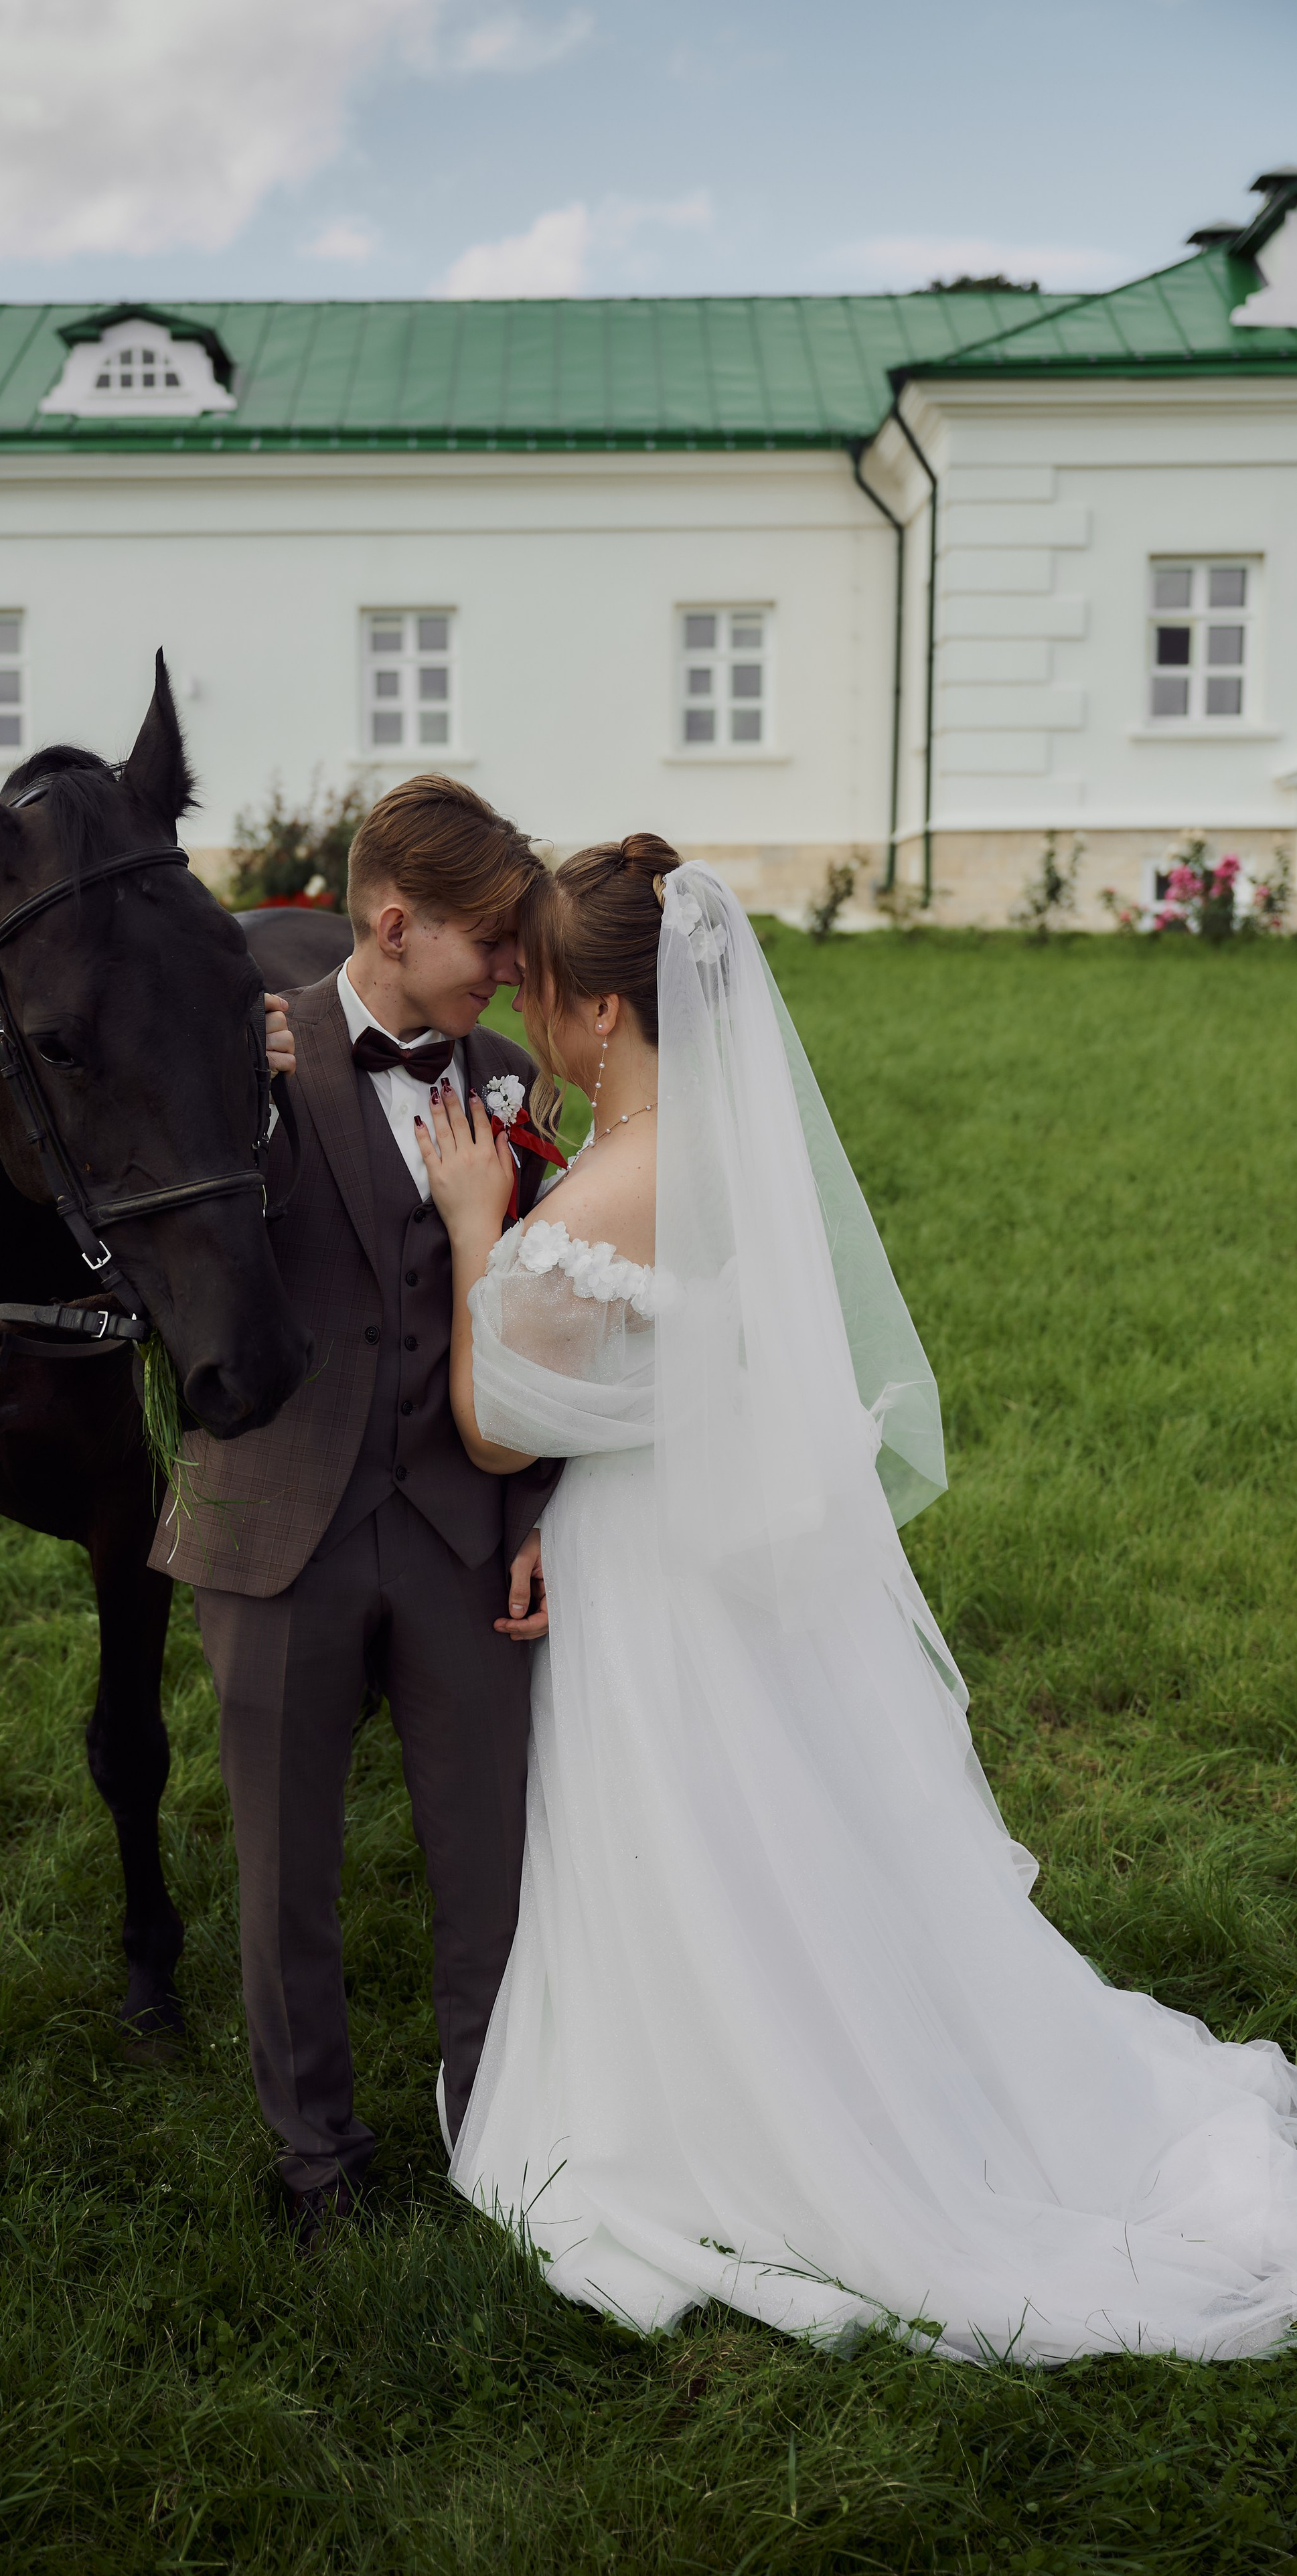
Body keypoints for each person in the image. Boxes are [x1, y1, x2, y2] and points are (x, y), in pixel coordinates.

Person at [415, 835, 1297, 2364]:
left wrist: (474, 1229)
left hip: (653, 1571)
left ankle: (744, 2095)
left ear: (605, 1014)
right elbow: (700, 1376)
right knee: (777, 1815)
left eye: (544, 991)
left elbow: (494, 1415)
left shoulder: (601, 1195)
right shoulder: (730, 1150)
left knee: (689, 1830)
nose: (531, 1016)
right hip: (707, 1538)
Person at [157, 775, 561, 2245]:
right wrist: (229, 1098)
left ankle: (500, 2130)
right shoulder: (236, 1062)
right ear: (394, 924)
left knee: (491, 1856)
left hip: (462, 1522)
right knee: (286, 1872)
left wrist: (532, 1512)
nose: (511, 967)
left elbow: (547, 1324)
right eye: (493, 940)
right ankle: (314, 2156)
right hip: (279, 1522)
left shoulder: (511, 1077)